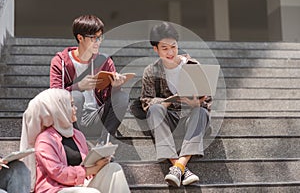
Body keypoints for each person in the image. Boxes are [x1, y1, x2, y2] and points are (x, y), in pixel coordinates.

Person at [140, 22, 211, 187]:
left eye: (174, 47)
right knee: (155, 110)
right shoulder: (151, 71)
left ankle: (178, 167)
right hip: (169, 121)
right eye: (164, 48)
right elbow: (146, 101)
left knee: (201, 111)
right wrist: (164, 103)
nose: (170, 52)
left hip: (190, 121)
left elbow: (207, 101)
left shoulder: (192, 65)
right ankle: (181, 167)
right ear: (155, 49)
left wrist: (196, 103)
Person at [21, 88, 130, 193]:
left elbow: (86, 165)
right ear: (59, 109)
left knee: (114, 168)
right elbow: (58, 173)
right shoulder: (44, 140)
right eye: (71, 105)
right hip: (55, 189)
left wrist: (102, 160)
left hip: (80, 185)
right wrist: (93, 169)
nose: (76, 109)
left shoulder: (77, 135)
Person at [49, 14, 129, 142]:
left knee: (122, 96)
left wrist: (115, 87)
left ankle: (105, 143)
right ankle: (74, 141)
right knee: (76, 96)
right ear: (80, 37)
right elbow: (54, 96)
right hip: (72, 118)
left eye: (100, 37)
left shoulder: (105, 61)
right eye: (94, 38)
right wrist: (79, 86)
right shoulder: (60, 61)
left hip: (97, 118)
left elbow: (111, 101)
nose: (98, 42)